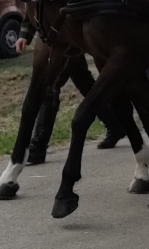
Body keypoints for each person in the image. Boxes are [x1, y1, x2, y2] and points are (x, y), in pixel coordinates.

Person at [15, 17, 126, 162]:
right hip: (56, 39)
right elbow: (36, 6)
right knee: (84, 82)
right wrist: (25, 34)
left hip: (69, 39)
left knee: (50, 85)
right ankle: (114, 125)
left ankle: (38, 147)